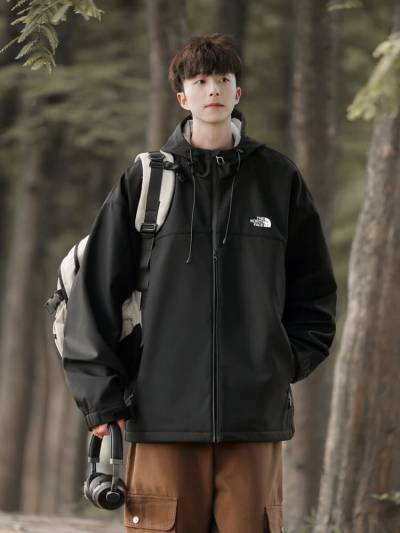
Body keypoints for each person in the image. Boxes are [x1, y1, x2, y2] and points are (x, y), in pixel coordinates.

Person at [62, 33, 337, 532]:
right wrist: (101, 398)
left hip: (253, 419)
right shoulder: (145, 181)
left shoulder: (277, 178)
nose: (213, 89)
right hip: (160, 414)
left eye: (223, 80)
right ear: (182, 97)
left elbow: (313, 290)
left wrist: (282, 361)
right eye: (201, 81)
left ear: (237, 93)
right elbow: (94, 293)